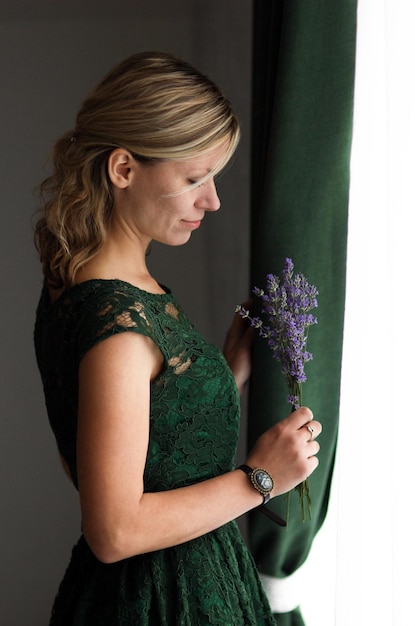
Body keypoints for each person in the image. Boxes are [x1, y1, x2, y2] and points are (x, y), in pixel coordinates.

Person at [34, 51, 321, 625]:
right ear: (123, 168)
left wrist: (226, 372)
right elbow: (114, 531)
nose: (211, 200)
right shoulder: (116, 326)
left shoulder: (87, 284)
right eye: (194, 178)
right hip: (163, 600)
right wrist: (261, 480)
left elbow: (130, 448)